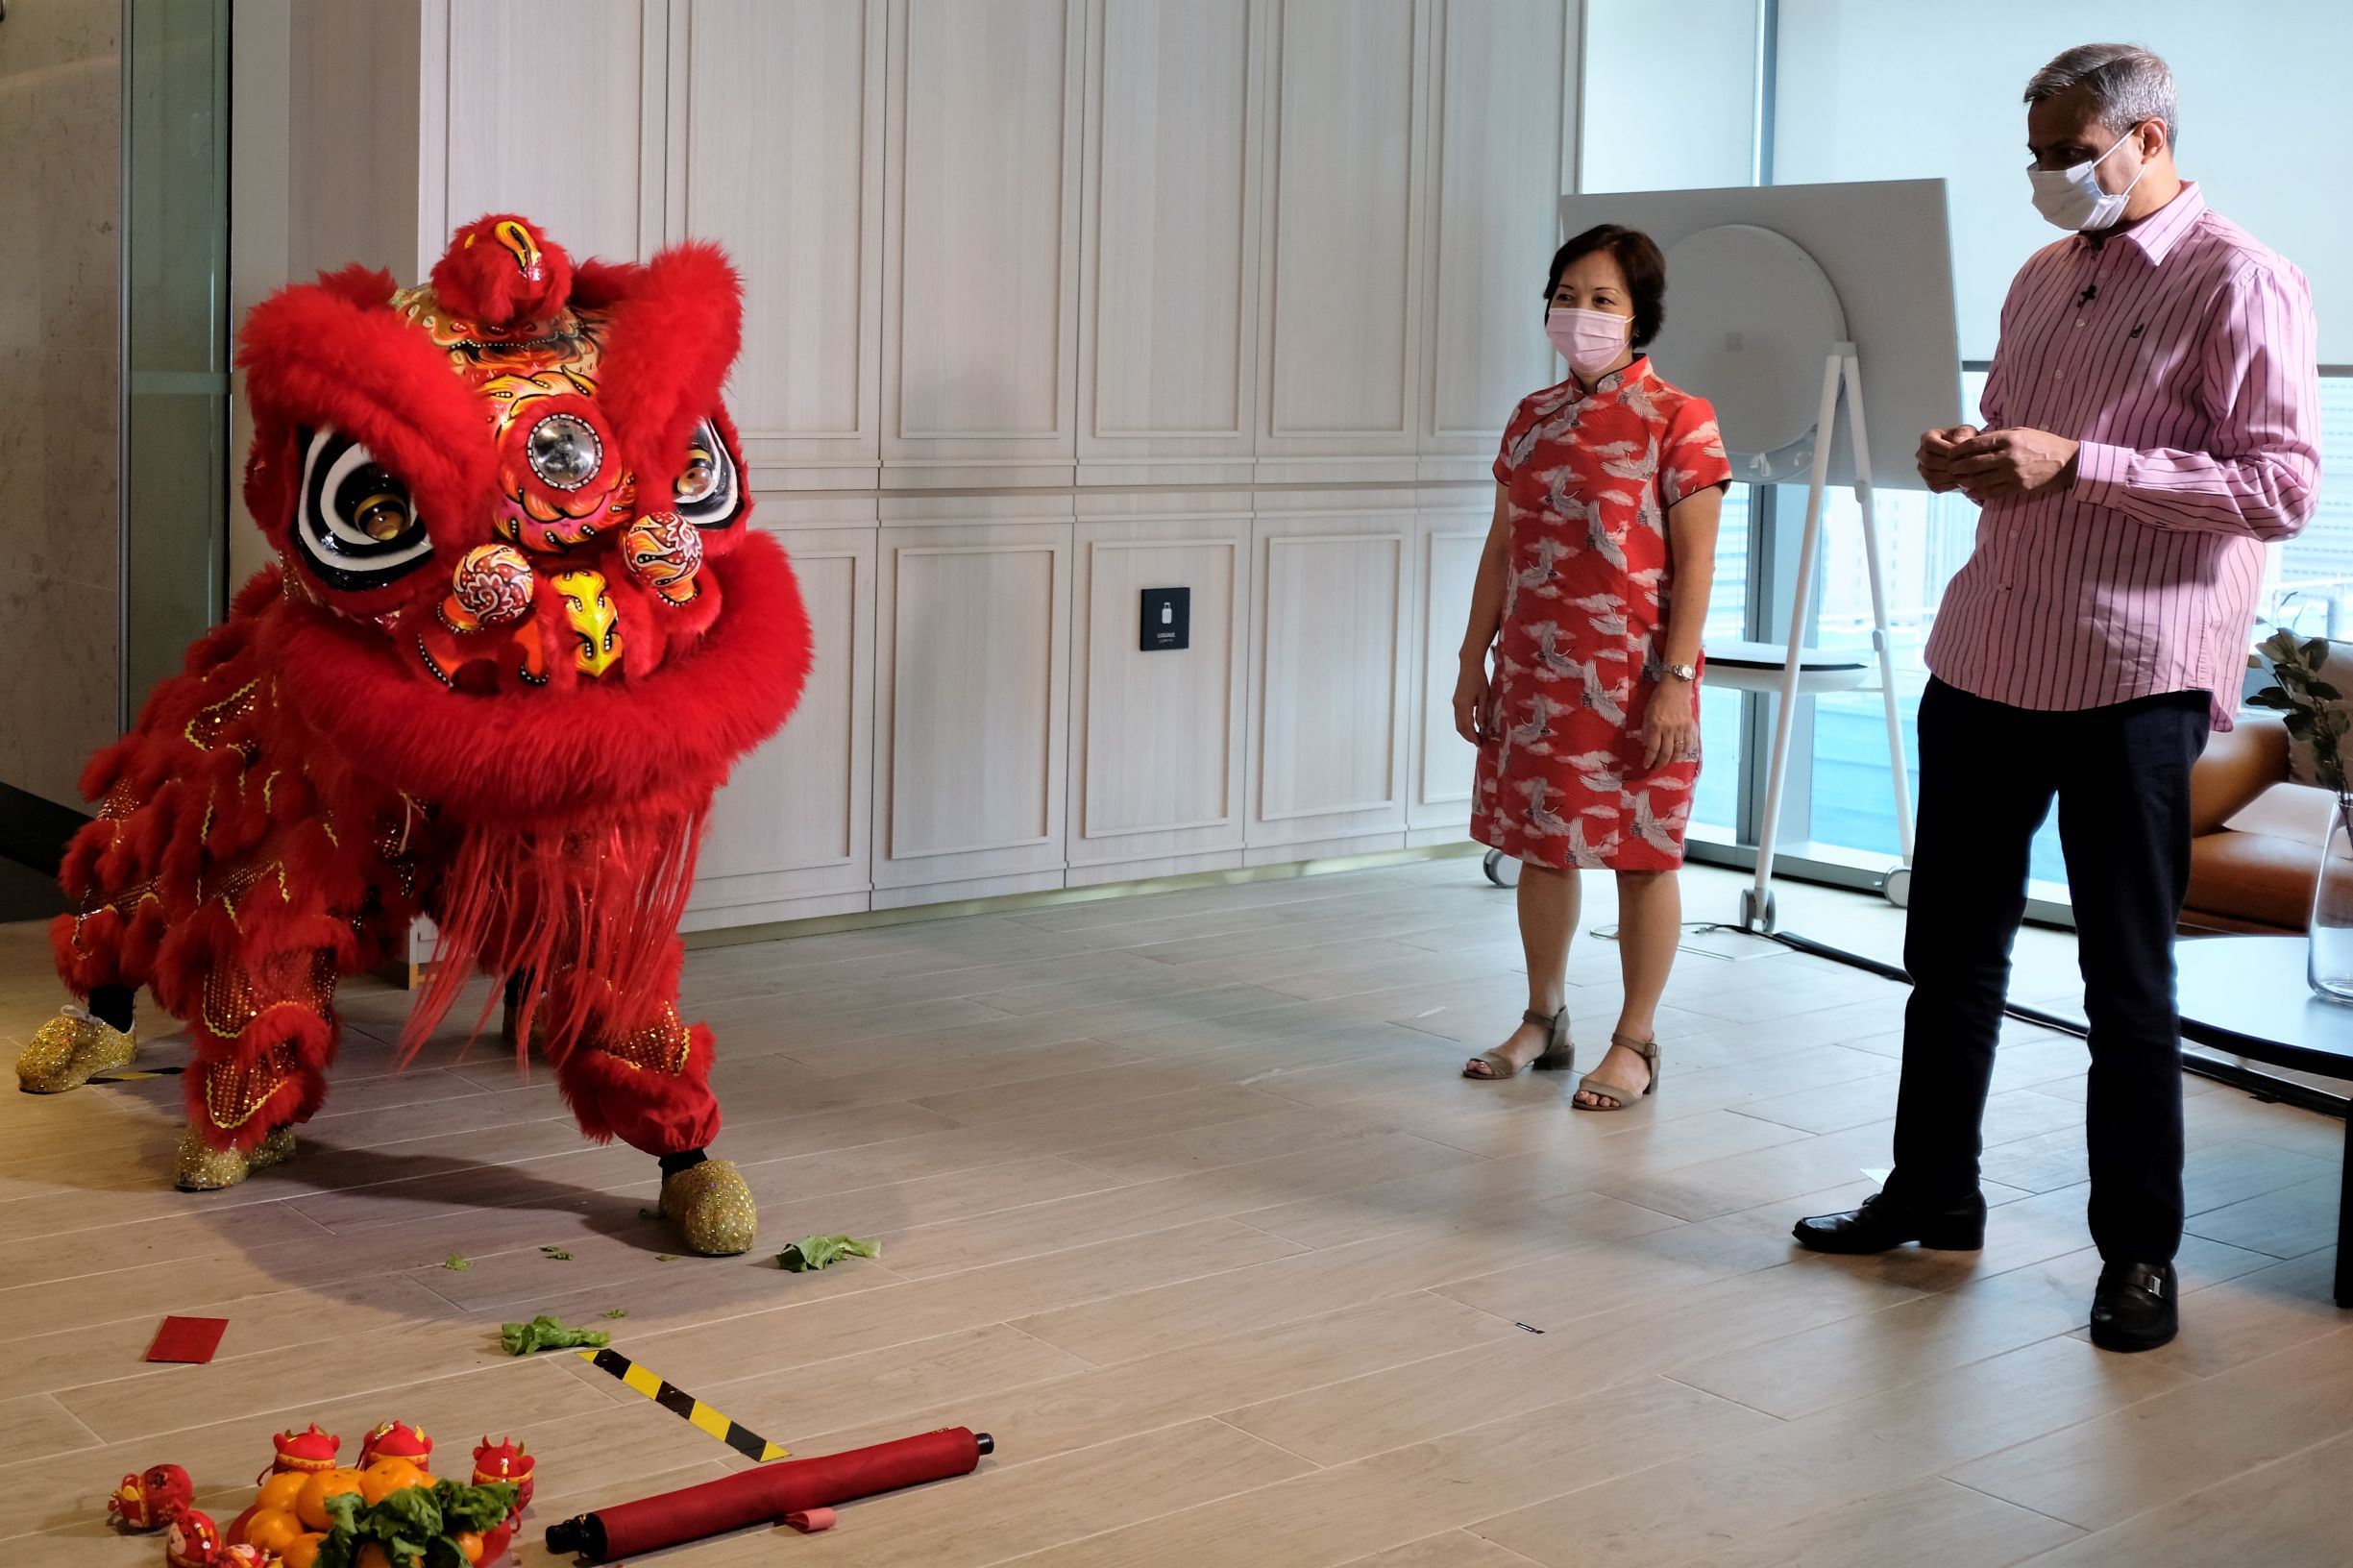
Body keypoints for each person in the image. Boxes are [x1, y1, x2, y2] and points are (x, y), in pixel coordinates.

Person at [1793, 44, 2320, 1351]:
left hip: (2129, 677)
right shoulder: (2040, 276)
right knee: (1948, 954)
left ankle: (2137, 1256)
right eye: (2034, 151)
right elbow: (2020, 447)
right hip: (1985, 651)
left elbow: (2279, 489)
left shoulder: (2243, 280)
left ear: (2145, 139)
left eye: (2068, 150)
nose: (2046, 175)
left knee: (2124, 982)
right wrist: (1967, 458)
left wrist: (2078, 464)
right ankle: (1931, 1194)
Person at [1455, 225, 1730, 1109]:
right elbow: (1503, 546)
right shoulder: (1530, 417)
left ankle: (1636, 1040)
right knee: (1543, 843)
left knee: (1641, 855)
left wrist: (1675, 682)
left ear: (1640, 316)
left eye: (1602, 300)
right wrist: (1473, 661)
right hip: (1535, 668)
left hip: (1637, 681)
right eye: (1567, 295)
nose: (1581, 315)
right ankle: (1543, 1019)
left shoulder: (1679, 419)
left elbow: (1697, 567)